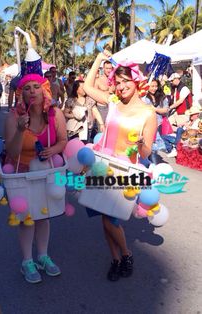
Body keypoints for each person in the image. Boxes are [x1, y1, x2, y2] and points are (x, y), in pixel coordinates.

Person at [83, 51, 157, 281]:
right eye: (118, 81)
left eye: (126, 81)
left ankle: (126, 255)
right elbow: (87, 87)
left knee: (110, 218)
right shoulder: (113, 102)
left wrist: (141, 142)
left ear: (136, 81)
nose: (122, 86)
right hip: (101, 165)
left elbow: (146, 152)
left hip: (125, 171)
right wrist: (98, 60)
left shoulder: (148, 112)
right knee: (104, 218)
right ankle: (116, 259)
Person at [5, 73, 67, 283]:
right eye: (27, 88)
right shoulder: (14, 117)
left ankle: (42, 256)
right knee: (28, 218)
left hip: (47, 170)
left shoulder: (55, 114)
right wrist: (21, 130)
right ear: (22, 94)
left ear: (45, 90)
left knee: (45, 215)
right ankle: (27, 261)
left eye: (36, 86)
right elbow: (12, 152)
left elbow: (63, 140)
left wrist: (54, 150)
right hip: (21, 171)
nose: (32, 91)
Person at [144, 79, 171, 162]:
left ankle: (154, 163)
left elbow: (166, 110)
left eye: (156, 86)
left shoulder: (162, 97)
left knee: (155, 146)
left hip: (159, 124)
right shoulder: (144, 97)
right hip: (148, 125)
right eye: (152, 86)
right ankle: (151, 162)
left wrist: (155, 109)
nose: (154, 88)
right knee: (150, 145)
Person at [94, 60, 115, 128]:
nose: (109, 70)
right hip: (101, 108)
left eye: (110, 68)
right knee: (102, 131)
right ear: (103, 68)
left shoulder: (115, 80)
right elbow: (93, 96)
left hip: (113, 107)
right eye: (107, 68)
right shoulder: (98, 80)